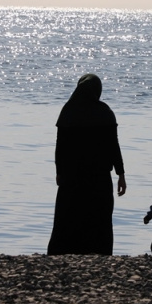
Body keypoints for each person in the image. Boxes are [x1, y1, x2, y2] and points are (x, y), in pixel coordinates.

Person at [47, 74, 126, 255]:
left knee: (68, 217)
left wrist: (59, 171)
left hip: (72, 177)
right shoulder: (105, 112)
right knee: (99, 218)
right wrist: (121, 175)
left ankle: (62, 252)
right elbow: (114, 147)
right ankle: (99, 252)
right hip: (99, 178)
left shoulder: (68, 111)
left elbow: (60, 147)